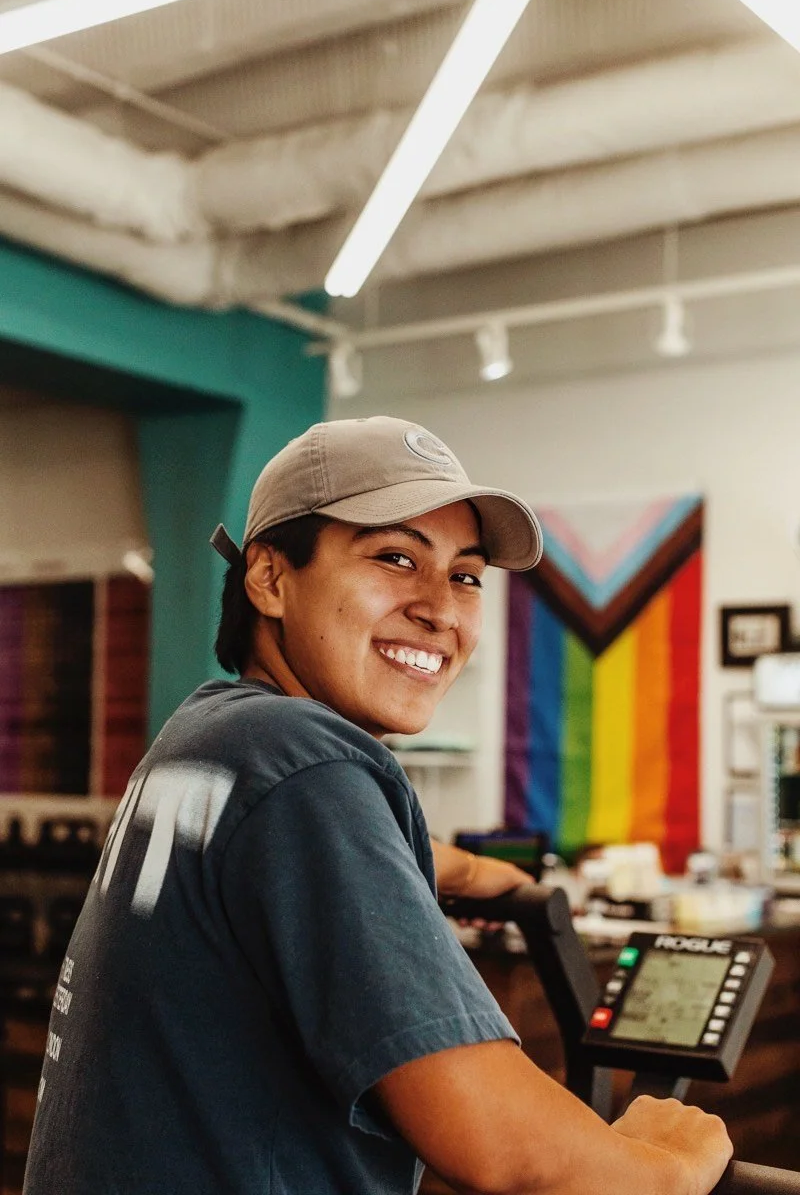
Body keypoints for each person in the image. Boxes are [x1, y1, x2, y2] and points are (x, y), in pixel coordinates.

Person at [23, 416, 732, 1195]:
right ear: (268, 577)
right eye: (395, 558)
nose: (440, 609)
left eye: (465, 575)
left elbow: (262, 871)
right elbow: (504, 1149)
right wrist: (665, 1159)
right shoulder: (307, 763)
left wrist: (440, 863)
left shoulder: (210, 736)